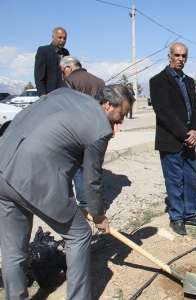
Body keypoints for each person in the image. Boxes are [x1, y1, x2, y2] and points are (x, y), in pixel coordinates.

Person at [0, 84, 133, 299]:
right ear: (108, 105)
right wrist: (99, 215)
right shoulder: (100, 126)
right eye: (122, 114)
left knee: (13, 251)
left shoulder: (63, 94)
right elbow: (92, 179)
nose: (121, 122)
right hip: (34, 177)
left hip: (3, 168)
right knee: (79, 234)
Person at [150, 42, 196, 236]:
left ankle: (191, 214)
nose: (180, 59)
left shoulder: (189, 81)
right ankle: (177, 218)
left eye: (184, 56)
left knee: (190, 178)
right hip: (172, 140)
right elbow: (164, 113)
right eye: (177, 55)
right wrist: (185, 134)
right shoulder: (158, 81)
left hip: (190, 139)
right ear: (169, 56)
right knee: (174, 180)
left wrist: (195, 131)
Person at [60, 56, 106, 210]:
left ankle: (85, 204)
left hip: (77, 131)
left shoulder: (69, 81)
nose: (63, 75)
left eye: (62, 71)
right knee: (94, 165)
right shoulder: (99, 81)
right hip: (98, 129)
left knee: (78, 168)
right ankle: (96, 202)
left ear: (68, 68)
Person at [34, 27, 70, 96]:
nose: (62, 40)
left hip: (64, 94)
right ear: (53, 37)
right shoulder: (43, 51)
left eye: (64, 38)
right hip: (50, 94)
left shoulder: (66, 52)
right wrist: (42, 94)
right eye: (60, 37)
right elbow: (38, 76)